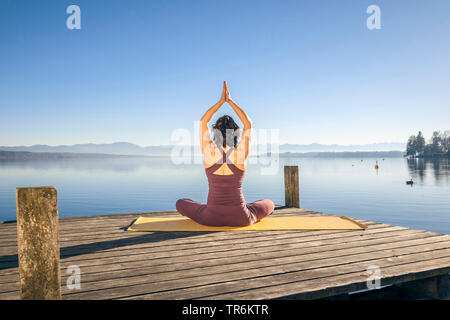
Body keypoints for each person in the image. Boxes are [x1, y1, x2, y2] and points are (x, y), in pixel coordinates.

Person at [176, 81, 274, 226]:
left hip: (210, 218)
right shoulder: (240, 153)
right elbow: (248, 123)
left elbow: (203, 121)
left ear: (215, 134)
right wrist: (230, 101)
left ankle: (207, 208)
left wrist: (221, 102)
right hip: (241, 218)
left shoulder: (209, 151)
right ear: (235, 134)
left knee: (181, 203)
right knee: (269, 203)